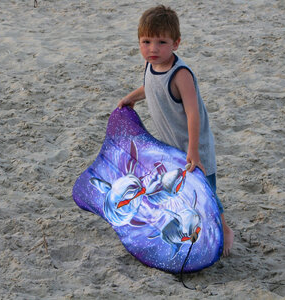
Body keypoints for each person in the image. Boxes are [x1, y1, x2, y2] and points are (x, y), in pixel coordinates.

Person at [117, 5, 234, 256]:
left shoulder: (180, 75)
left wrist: (194, 151)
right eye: (146, 41)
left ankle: (224, 229)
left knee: (206, 191)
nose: (152, 48)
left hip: (194, 145)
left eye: (161, 42)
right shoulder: (151, 66)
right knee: (181, 191)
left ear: (176, 43)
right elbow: (151, 86)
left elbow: (193, 113)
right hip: (171, 146)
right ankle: (189, 230)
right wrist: (132, 97)